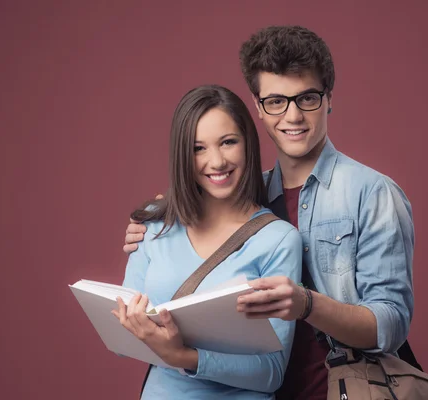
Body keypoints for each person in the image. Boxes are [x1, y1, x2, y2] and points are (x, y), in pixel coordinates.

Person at [124, 26, 415, 399]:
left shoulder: (372, 193)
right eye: (276, 101)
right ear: (258, 107)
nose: (292, 116)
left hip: (336, 391)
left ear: (328, 98)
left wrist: (307, 304)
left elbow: (390, 324)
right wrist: (151, 225)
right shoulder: (243, 194)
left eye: (307, 98)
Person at [113, 84, 303, 399]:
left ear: (248, 144)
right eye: (198, 148)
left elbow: (271, 373)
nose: (215, 162)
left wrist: (183, 357)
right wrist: (133, 327)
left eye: (228, 142)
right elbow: (124, 340)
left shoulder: (278, 239)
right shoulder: (154, 222)